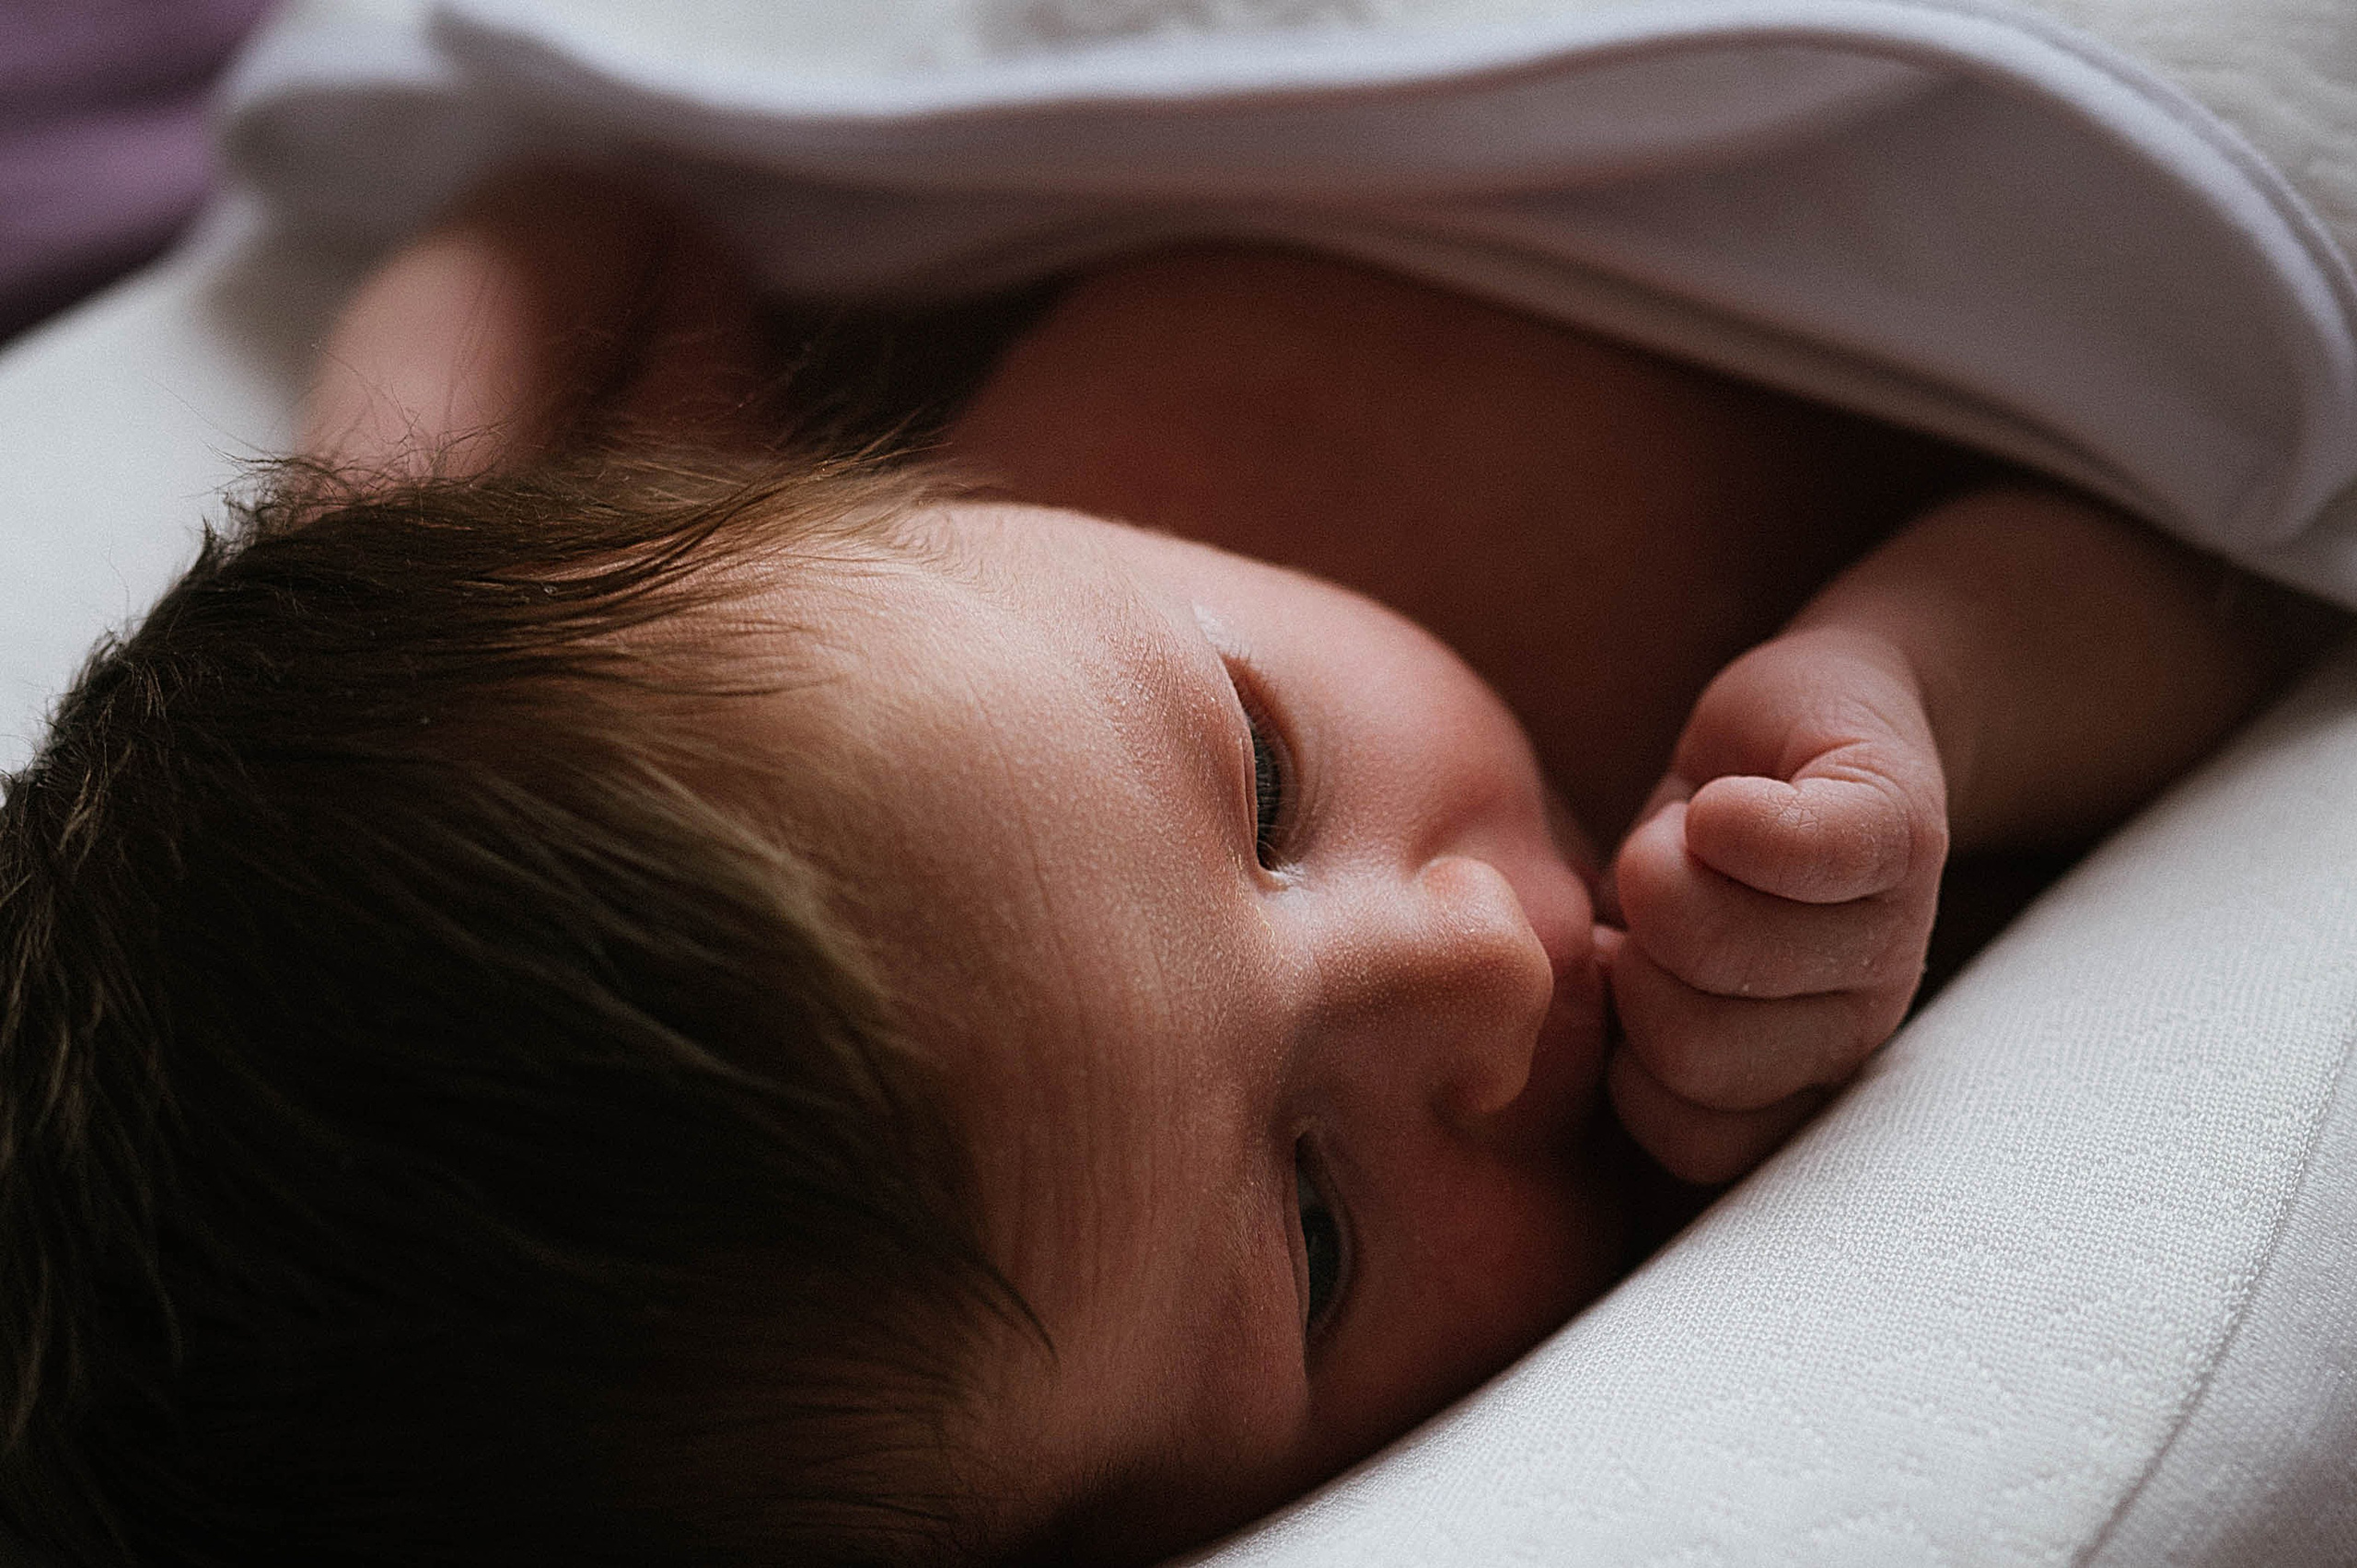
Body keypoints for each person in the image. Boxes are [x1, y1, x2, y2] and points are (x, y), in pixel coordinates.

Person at [0, 168, 2328, 1566]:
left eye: (1260, 777)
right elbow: (2210, 535)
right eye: (1311, 1240)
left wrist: (428, 529)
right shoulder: (1715, 993)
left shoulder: (817, 607)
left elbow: (576, 204)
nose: (1473, 976)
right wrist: (1921, 693)